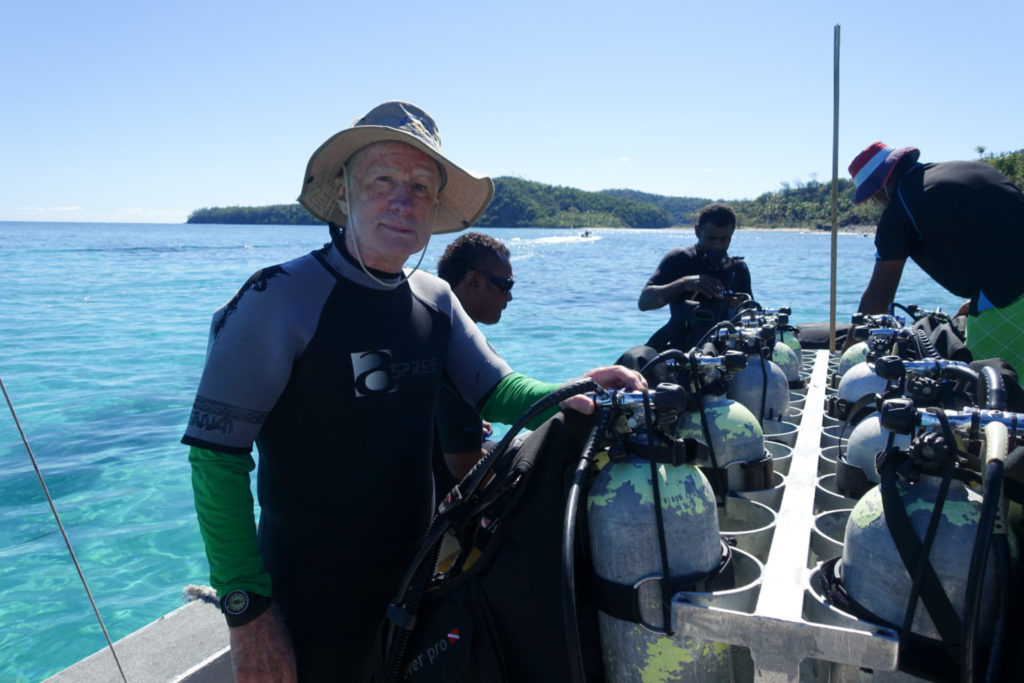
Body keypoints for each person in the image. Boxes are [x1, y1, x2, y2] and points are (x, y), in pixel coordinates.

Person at [181, 101, 645, 682]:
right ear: (344, 194)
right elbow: (216, 458)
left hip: (416, 579)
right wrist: (247, 612)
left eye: (421, 186)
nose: (404, 199)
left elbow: (498, 390)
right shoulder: (277, 299)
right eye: (383, 180)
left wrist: (571, 389)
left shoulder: (435, 298)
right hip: (310, 600)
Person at [847, 141, 1024, 371]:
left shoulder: (900, 212)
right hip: (1005, 287)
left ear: (881, 187)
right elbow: (996, 235)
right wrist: (977, 299)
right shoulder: (970, 170)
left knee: (986, 390)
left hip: (1010, 301)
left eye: (873, 197)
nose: (878, 203)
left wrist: (848, 355)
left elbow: (879, 298)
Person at [434, 231, 519, 485]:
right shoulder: (457, 349)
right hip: (443, 498)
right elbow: (465, 466)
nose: (510, 296)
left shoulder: (431, 326)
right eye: (506, 285)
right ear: (473, 281)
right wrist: (516, 489)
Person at [638, 202, 752, 351]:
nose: (718, 245)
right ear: (697, 231)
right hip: (679, 344)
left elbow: (750, 316)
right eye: (711, 238)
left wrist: (739, 307)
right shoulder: (679, 259)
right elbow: (644, 303)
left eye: (725, 239)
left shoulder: (738, 269)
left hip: (723, 347)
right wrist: (683, 284)